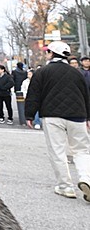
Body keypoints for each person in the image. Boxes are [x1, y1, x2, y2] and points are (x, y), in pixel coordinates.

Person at [24, 41, 90, 201]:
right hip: (78, 115)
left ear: (51, 54)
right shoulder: (77, 73)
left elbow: (34, 95)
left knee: (57, 151)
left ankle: (65, 186)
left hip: (52, 115)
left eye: (47, 51)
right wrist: (88, 116)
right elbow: (86, 95)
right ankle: (86, 178)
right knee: (81, 150)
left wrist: (29, 115)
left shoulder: (42, 72)